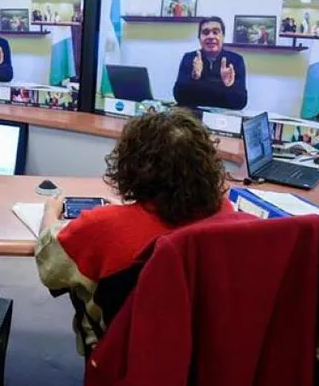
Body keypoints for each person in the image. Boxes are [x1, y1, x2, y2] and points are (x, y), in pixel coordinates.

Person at [34, 108, 230, 356]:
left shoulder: (101, 227)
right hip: (202, 351)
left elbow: (50, 268)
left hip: (125, 356)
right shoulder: (229, 217)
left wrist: (50, 213)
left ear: (132, 167)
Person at [173, 16, 248, 110]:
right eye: (205, 32)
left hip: (223, 120)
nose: (211, 36)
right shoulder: (190, 58)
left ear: (223, 37)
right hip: (194, 117)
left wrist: (228, 86)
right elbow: (179, 97)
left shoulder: (236, 61)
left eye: (216, 32)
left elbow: (240, 102)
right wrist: (194, 78)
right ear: (199, 38)